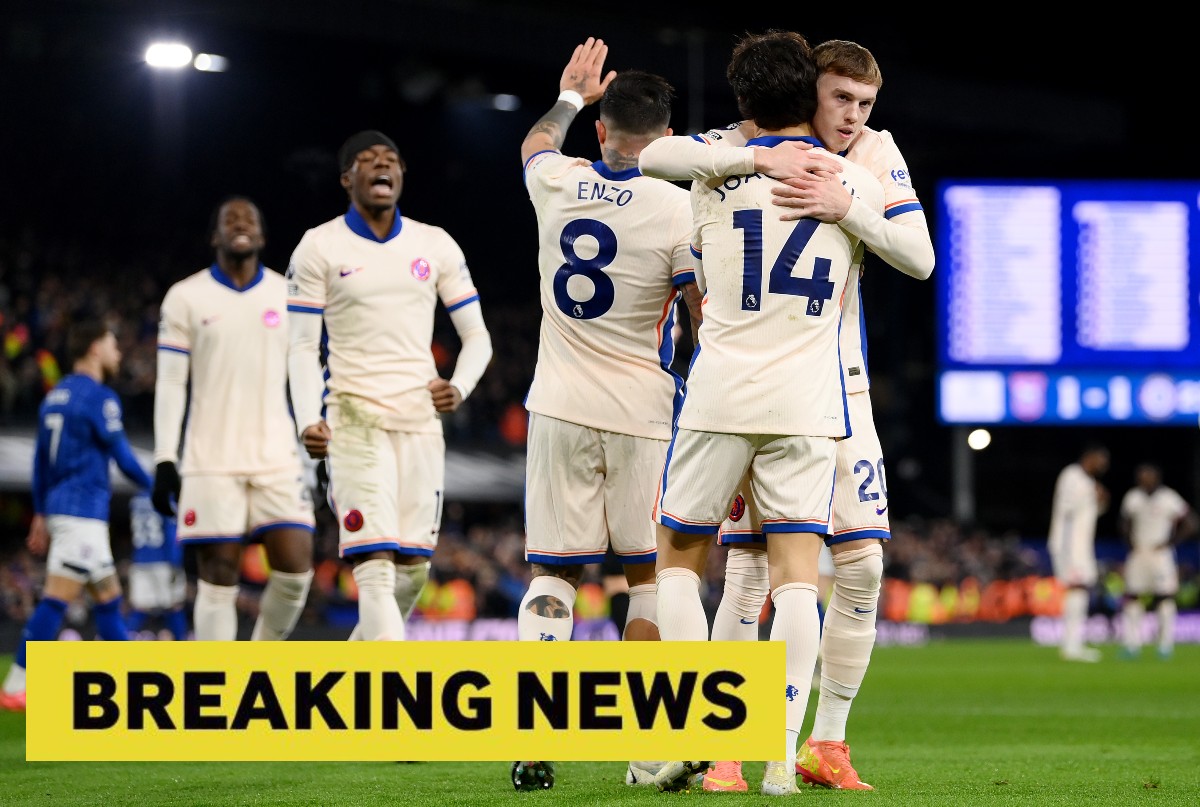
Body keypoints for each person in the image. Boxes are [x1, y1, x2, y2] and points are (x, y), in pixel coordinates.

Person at [640, 38, 933, 792]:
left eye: (865, 104)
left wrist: (846, 207)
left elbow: (919, 253)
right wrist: (771, 166)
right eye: (840, 99)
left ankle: (817, 743)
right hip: (804, 393)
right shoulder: (753, 151)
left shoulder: (868, 157)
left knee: (858, 564)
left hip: (826, 388)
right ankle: (738, 746)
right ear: (809, 93)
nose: (853, 117)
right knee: (752, 568)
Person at [509, 37, 701, 792]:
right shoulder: (679, 206)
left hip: (555, 406)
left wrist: (568, 94)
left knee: (553, 574)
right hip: (644, 414)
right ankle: (647, 744)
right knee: (646, 581)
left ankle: (532, 742)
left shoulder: (555, 181)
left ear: (601, 128)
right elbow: (700, 315)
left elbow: (532, 143)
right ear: (667, 136)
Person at [286, 129, 493, 643]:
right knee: (374, 565)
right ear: (346, 178)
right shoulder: (320, 245)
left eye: (392, 159)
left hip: (420, 423)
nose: (382, 165)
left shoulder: (434, 243)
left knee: (413, 573)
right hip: (354, 419)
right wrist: (308, 417)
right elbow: (300, 347)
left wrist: (460, 386)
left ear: (401, 174)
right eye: (367, 159)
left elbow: (478, 338)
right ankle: (393, 706)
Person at [153, 196, 315, 642]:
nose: (241, 224)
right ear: (215, 236)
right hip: (210, 458)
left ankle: (255, 665)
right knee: (218, 576)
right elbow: (170, 383)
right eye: (230, 219)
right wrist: (166, 458)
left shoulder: (288, 293)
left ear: (262, 236)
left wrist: (315, 440)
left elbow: (306, 371)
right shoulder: (185, 296)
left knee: (297, 570)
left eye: (250, 219)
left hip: (277, 456)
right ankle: (218, 693)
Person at [0, 318, 153, 712]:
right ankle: (17, 685)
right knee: (56, 598)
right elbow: (122, 457)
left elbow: (39, 463)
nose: (118, 351)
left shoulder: (55, 396)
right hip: (82, 510)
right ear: (94, 348)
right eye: (112, 343)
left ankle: (134, 689)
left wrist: (40, 511)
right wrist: (161, 485)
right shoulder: (99, 397)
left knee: (107, 597)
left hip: (67, 510)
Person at [1117, 463, 1198, 659]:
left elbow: (1192, 522)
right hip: (1139, 553)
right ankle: (1132, 644)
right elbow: (1124, 523)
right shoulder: (1133, 497)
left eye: (1148, 477)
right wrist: (1131, 544)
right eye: (1141, 477)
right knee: (1133, 597)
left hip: (1161, 554)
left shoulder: (1168, 498)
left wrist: (1170, 542)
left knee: (1165, 597)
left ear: (1156, 478)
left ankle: (1164, 645)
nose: (1144, 481)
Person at [1047, 442, 1110, 662]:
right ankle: (1071, 646)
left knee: (1079, 592)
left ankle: (1073, 643)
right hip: (1069, 544)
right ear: (1089, 457)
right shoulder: (1072, 476)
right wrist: (1093, 492)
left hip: (1081, 545)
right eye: (1101, 459)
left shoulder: (1088, 482)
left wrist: (1101, 498)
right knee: (1077, 589)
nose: (1104, 464)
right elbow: (1068, 510)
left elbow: (1093, 511)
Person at [125, 491, 189, 641]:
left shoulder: (137, 498)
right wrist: (176, 562)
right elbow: (171, 531)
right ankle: (185, 651)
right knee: (174, 606)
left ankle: (119, 648)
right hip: (164, 560)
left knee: (139, 608)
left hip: (140, 559)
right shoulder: (166, 496)